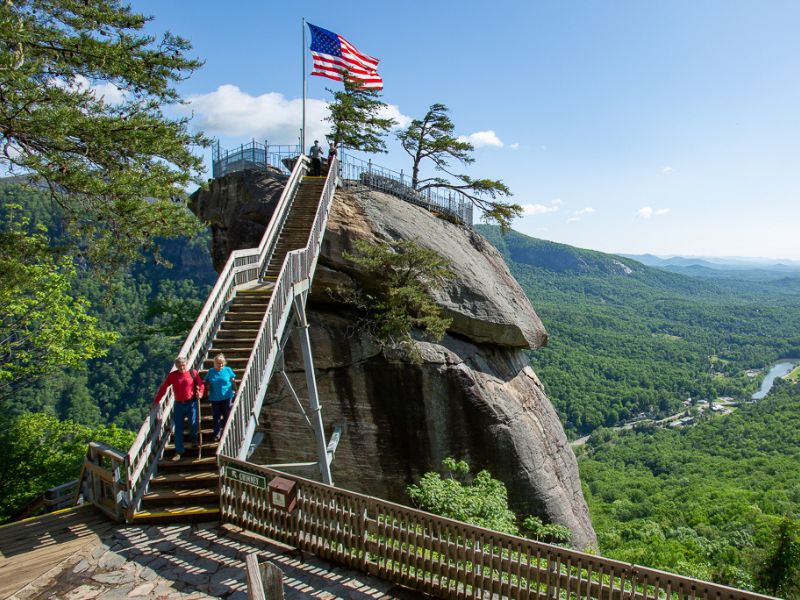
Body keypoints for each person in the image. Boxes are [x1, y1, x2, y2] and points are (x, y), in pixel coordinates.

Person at [153, 356, 204, 461]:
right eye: (179, 365)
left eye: (183, 364)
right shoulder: (173, 376)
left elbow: (200, 384)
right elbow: (164, 387)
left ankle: (193, 440)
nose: (182, 367)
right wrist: (157, 401)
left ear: (186, 364)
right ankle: (179, 451)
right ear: (176, 366)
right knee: (178, 428)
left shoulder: (192, 373)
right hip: (179, 404)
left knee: (194, 423)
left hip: (192, 402)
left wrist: (201, 392)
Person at [203, 353, 236, 442]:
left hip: (227, 396)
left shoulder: (228, 370)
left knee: (227, 415)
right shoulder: (211, 371)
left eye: (222, 363)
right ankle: (217, 434)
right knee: (216, 416)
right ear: (214, 363)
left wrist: (235, 387)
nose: (220, 365)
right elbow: (205, 380)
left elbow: (233, 379)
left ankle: (226, 433)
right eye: (218, 363)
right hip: (215, 398)